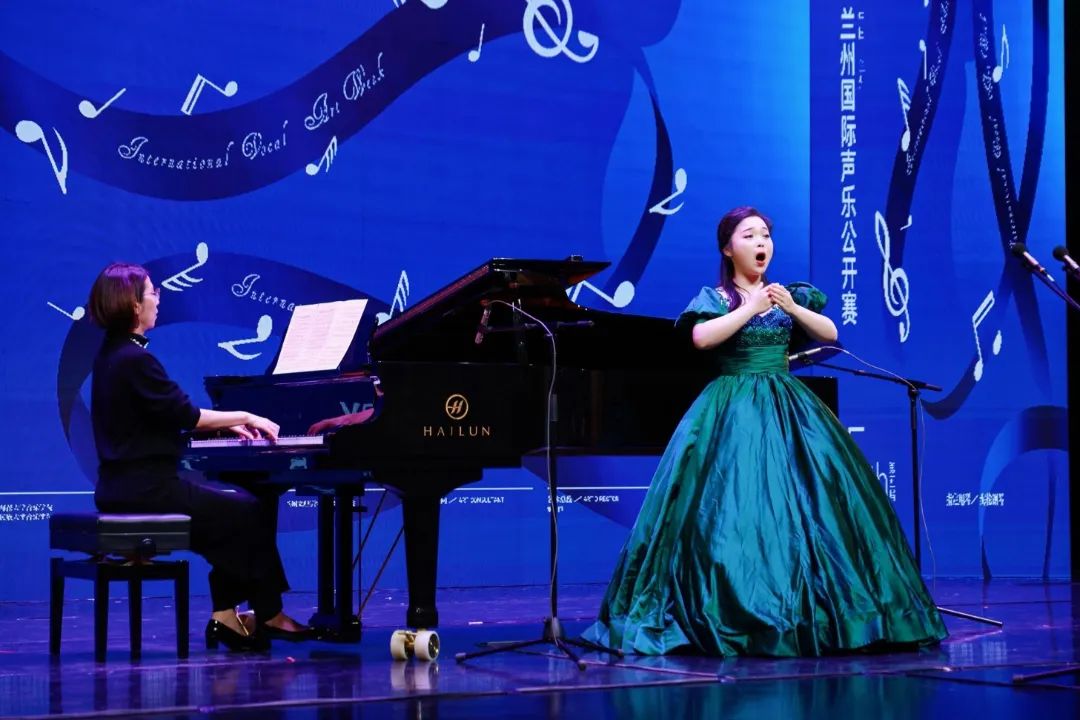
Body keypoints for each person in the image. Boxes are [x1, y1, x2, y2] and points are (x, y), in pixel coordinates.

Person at [584, 207, 948, 656]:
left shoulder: (785, 294)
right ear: (727, 248)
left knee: (809, 506)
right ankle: (737, 612)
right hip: (733, 408)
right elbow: (701, 338)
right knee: (737, 504)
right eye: (749, 235)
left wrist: (791, 308)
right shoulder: (718, 296)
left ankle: (818, 612)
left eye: (765, 236)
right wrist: (750, 308)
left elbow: (830, 333)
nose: (761, 243)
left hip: (787, 404)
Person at [87, 262, 312, 651]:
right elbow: (184, 414)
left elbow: (156, 417)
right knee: (249, 512)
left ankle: (229, 614)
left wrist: (220, 427)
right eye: (153, 292)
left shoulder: (112, 354)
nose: (159, 299)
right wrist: (245, 417)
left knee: (238, 512)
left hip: (122, 487)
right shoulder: (134, 360)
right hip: (146, 491)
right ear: (134, 304)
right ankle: (265, 613)